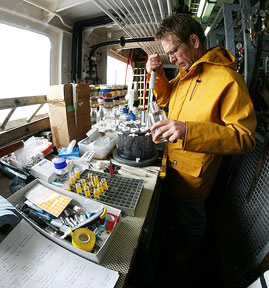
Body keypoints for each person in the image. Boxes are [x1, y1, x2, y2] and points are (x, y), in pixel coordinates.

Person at [146, 14, 257, 266]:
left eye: (174, 51)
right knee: (177, 212)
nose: (172, 59)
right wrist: (161, 74)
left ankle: (195, 253)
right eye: (168, 55)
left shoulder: (228, 81)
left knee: (192, 218)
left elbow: (245, 137)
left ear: (194, 40)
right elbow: (165, 100)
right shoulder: (187, 73)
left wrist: (188, 131)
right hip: (172, 162)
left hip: (195, 174)